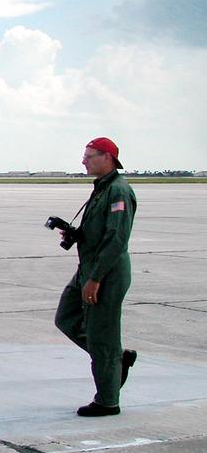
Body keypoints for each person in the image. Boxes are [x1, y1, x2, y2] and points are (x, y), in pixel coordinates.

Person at [53, 137, 138, 417]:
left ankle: (108, 401)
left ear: (108, 157)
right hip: (88, 269)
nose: (84, 161)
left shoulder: (118, 192)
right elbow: (100, 232)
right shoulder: (101, 190)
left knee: (103, 336)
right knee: (66, 317)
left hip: (106, 274)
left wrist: (96, 278)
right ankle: (116, 360)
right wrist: (77, 235)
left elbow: (116, 239)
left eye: (89, 156)